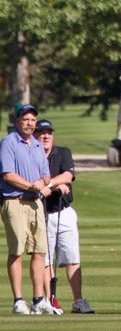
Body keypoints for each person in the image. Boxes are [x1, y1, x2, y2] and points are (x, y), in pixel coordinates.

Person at [0, 104, 60, 315]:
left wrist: (42, 183)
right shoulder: (8, 142)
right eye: (25, 119)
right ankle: (18, 300)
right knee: (17, 251)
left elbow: (45, 174)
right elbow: (7, 175)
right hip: (15, 201)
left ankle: (38, 300)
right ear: (17, 121)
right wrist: (32, 185)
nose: (29, 123)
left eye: (33, 120)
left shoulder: (36, 145)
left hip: (35, 202)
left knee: (40, 251)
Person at [33, 119, 95, 314]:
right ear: (35, 136)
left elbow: (68, 176)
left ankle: (78, 300)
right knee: (45, 260)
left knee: (72, 258)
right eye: (42, 132)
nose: (46, 136)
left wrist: (48, 185)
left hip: (64, 211)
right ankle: (50, 300)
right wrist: (52, 184)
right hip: (41, 213)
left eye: (49, 132)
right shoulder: (31, 156)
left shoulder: (63, 152)